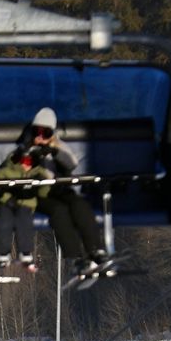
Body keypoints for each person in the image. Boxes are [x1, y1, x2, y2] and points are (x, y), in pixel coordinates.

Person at [24, 107, 111, 279]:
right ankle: (74, 256)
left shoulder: (58, 146)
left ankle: (94, 249)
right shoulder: (27, 149)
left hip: (61, 189)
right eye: (37, 132)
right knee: (59, 212)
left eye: (46, 133)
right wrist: (35, 159)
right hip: (42, 194)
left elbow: (72, 163)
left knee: (79, 205)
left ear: (52, 133)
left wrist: (54, 152)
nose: (40, 137)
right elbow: (22, 169)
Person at [0, 138, 45, 274]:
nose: (26, 165)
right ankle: (3, 254)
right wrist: (7, 198)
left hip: (26, 204)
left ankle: (25, 252)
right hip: (6, 203)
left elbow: (43, 189)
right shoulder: (7, 169)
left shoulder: (38, 172)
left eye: (29, 162)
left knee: (24, 218)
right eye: (23, 161)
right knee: (4, 218)